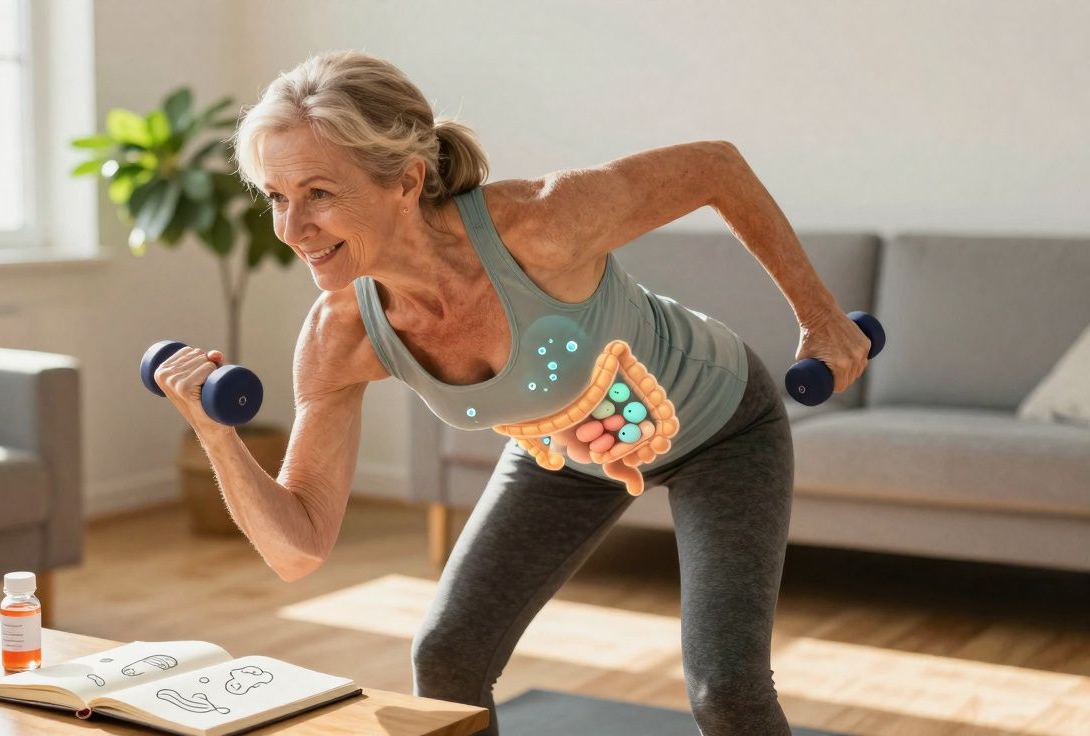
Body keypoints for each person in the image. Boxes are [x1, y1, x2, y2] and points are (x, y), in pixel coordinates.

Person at [152, 49, 869, 736]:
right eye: (276, 197)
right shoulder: (342, 336)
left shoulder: (543, 224)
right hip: (566, 453)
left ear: (404, 180)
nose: (291, 228)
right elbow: (297, 550)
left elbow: (717, 166)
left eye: (319, 195)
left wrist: (822, 319)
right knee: (447, 655)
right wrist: (217, 436)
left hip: (722, 430)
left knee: (726, 689)